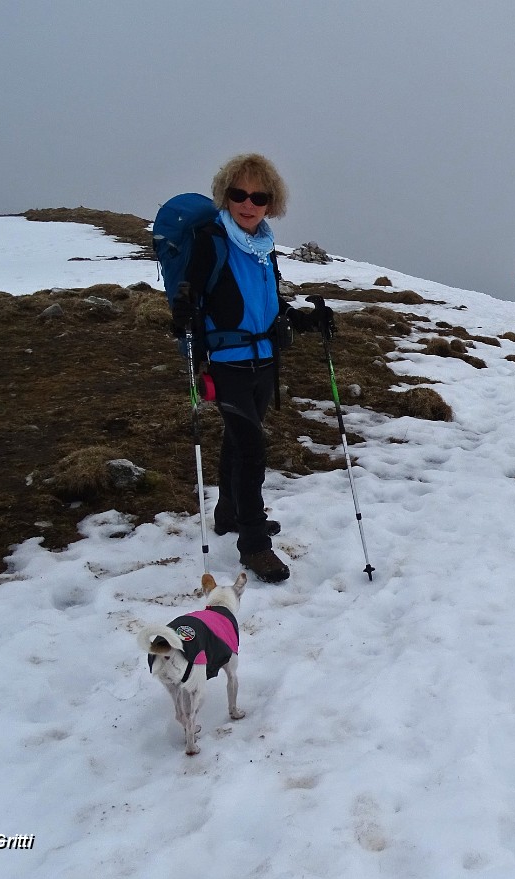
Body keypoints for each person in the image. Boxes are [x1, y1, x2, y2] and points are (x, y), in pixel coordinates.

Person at [170, 153, 327, 584]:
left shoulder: (262, 245)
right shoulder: (211, 239)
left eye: (259, 196)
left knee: (239, 442)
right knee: (252, 448)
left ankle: (229, 513)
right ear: (225, 195)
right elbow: (192, 296)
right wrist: (182, 311)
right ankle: (254, 544)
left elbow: (268, 301)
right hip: (227, 362)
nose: (248, 203)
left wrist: (301, 318)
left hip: (263, 361)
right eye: (239, 193)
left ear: (270, 202)